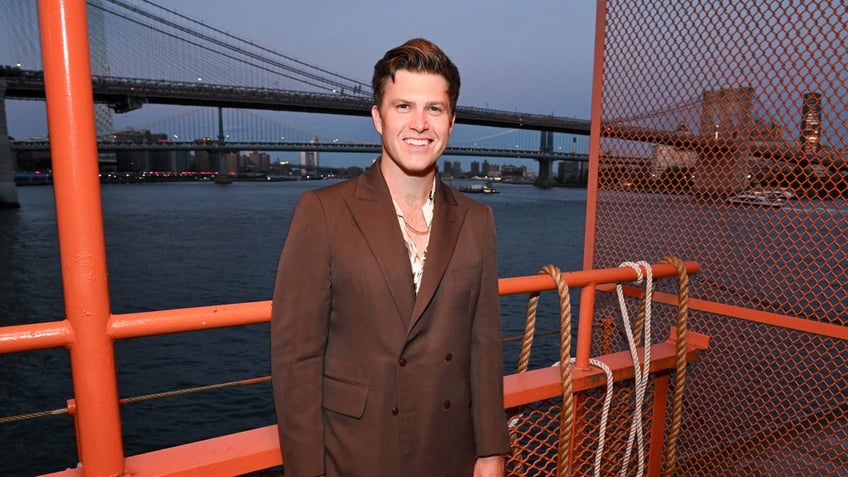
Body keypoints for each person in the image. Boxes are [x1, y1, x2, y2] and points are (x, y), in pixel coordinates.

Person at [270, 37, 511, 477]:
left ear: (451, 121)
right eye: (403, 107)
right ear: (378, 118)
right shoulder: (323, 212)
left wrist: (492, 452)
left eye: (434, 109)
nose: (419, 124)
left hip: (450, 453)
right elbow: (296, 362)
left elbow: (484, 346)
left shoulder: (478, 220)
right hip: (357, 454)